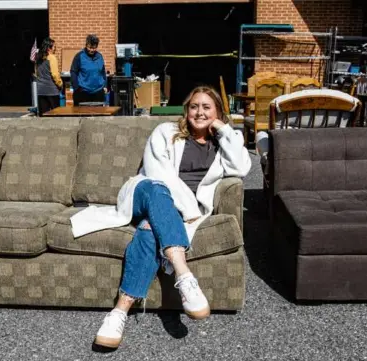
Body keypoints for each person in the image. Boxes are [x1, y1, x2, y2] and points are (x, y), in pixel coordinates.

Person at [70, 86, 252, 349]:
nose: (199, 112)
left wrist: (223, 130)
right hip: (145, 194)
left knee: (148, 229)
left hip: (174, 213)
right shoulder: (166, 132)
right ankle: (184, 274)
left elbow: (242, 167)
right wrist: (187, 211)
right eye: (194, 106)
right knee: (157, 190)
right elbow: (157, 174)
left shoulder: (224, 140)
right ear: (186, 110)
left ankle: (119, 313)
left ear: (218, 113)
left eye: (206, 107)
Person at [70, 34, 107, 105]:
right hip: (83, 92)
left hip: (98, 92)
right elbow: (73, 72)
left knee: (98, 115)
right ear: (86, 45)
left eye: (94, 48)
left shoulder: (99, 56)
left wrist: (105, 85)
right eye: (90, 47)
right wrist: (77, 88)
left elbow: (102, 72)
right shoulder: (79, 56)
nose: (92, 50)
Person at [35, 37, 63, 116]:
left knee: (43, 116)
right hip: (52, 91)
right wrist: (60, 84)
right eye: (54, 47)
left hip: (41, 91)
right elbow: (55, 75)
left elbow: (36, 73)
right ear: (49, 48)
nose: (55, 49)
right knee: (56, 115)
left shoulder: (38, 58)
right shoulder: (52, 58)